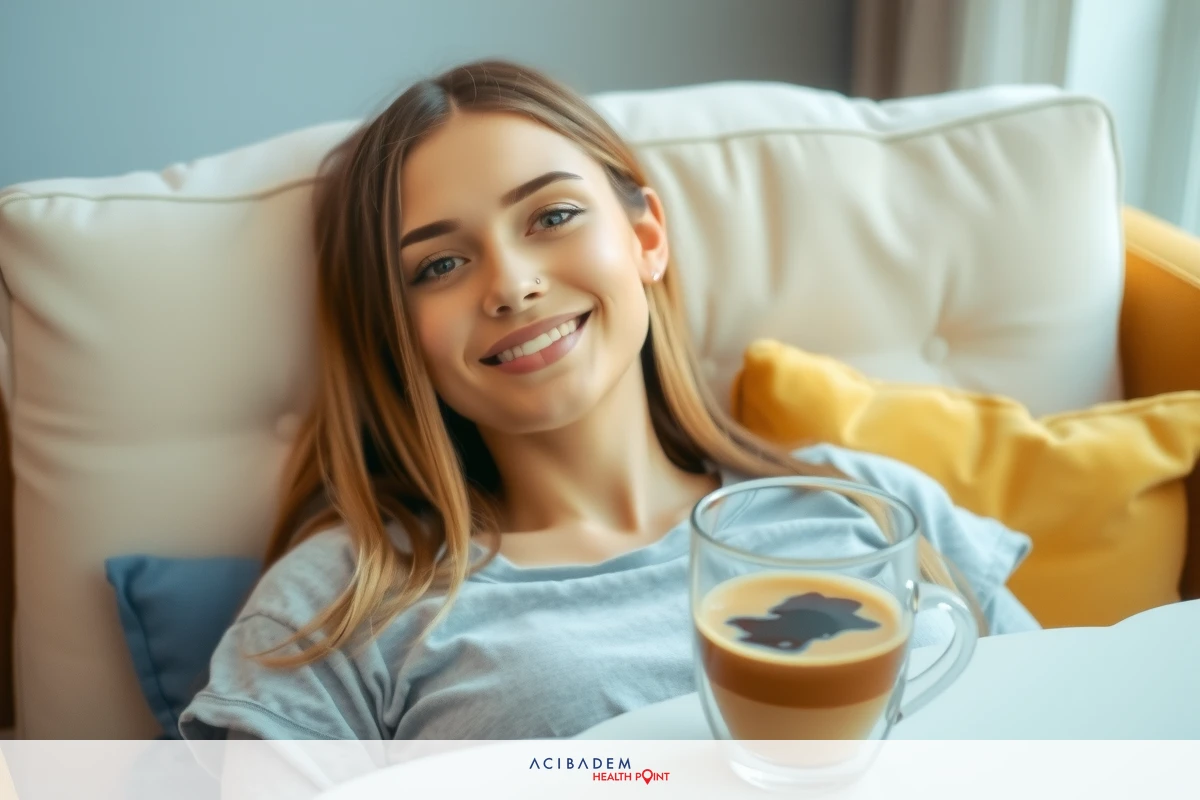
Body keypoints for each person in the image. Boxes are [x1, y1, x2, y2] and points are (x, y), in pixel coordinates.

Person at [179, 59, 1039, 746]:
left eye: (550, 216)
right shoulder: (338, 602)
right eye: (439, 266)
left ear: (645, 238)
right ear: (394, 335)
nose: (512, 285)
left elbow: (1077, 741)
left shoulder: (874, 506)